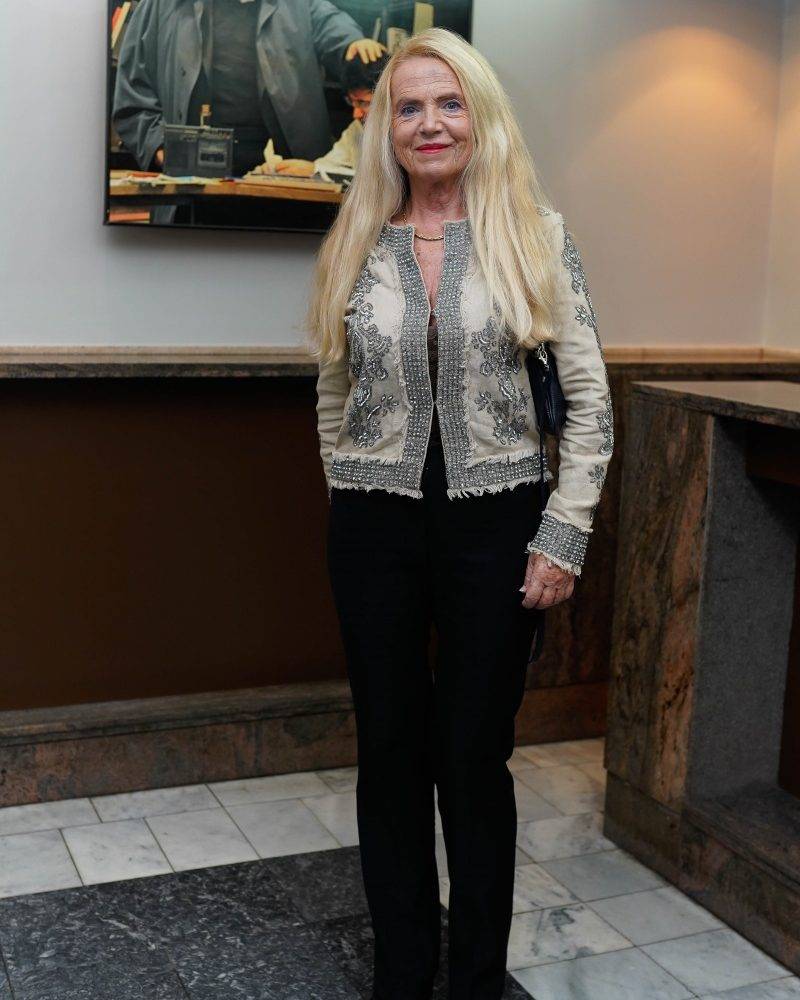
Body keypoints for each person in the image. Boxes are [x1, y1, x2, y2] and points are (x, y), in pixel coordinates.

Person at [307, 26, 613, 1000]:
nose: (429, 123)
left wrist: (563, 531)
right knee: (388, 751)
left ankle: (476, 978)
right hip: (374, 529)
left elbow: (588, 401)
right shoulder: (356, 238)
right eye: (409, 106)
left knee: (473, 755)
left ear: (480, 117)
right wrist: (348, 489)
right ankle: (402, 973)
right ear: (385, 127)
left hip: (498, 525)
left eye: (448, 103)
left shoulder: (536, 234)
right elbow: (333, 387)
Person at [112, 0, 384, 224]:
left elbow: (332, 25)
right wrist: (159, 147)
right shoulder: (162, 6)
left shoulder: (299, 5)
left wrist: (352, 43)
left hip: (285, 182)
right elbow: (132, 95)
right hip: (191, 184)